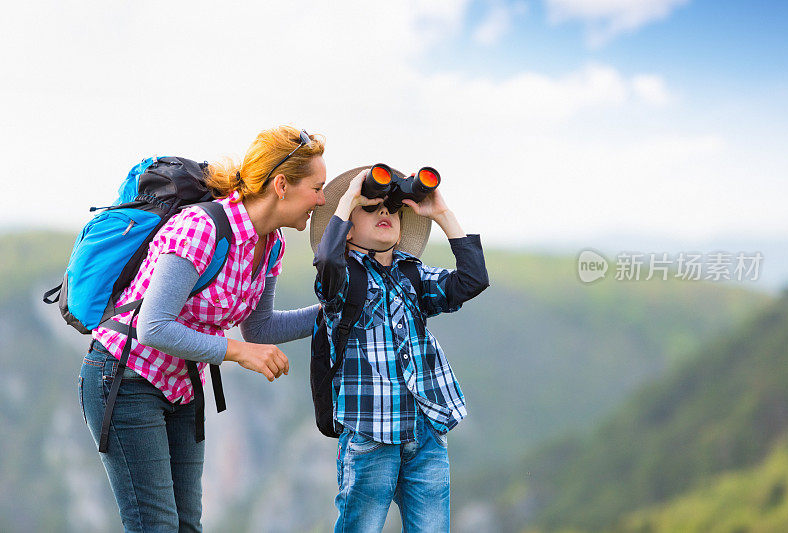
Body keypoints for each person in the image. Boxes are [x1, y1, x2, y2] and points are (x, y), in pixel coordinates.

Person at [79, 126, 325, 532]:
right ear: (281, 184)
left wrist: (339, 311)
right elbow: (153, 327)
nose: (321, 199)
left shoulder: (273, 244)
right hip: (125, 378)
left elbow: (259, 329)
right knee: (156, 526)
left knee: (188, 525)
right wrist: (237, 352)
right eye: (316, 187)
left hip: (181, 384)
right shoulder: (202, 228)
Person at [310, 166, 490, 532]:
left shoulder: (413, 275)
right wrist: (348, 200)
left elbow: (472, 280)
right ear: (345, 231)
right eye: (371, 207)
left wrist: (441, 213)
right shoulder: (341, 280)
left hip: (424, 430)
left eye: (393, 208)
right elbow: (327, 260)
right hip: (369, 430)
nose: (385, 213)